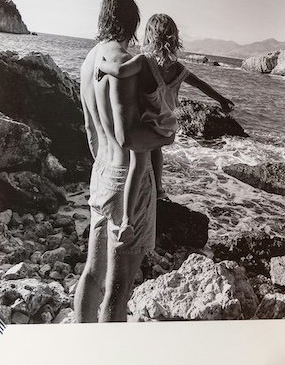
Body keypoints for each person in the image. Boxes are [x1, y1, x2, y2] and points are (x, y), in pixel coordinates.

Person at [72, 0, 174, 323]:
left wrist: (103, 167)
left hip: (101, 171)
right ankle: (108, 350)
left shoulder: (90, 61)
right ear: (132, 22)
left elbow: (90, 129)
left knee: (92, 273)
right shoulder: (125, 62)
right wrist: (167, 136)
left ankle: (82, 338)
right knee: (119, 289)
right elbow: (128, 137)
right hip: (126, 179)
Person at [101, 13, 235, 243]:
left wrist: (102, 66)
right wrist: (222, 100)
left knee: (137, 167)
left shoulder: (143, 62)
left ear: (149, 36)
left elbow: (120, 71)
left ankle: (126, 221)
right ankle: (160, 189)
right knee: (157, 151)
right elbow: (201, 85)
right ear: (174, 39)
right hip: (167, 127)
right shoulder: (178, 69)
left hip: (147, 125)